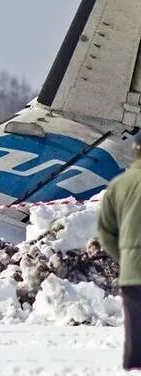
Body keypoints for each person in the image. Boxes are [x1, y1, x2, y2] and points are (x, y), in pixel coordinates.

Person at [98, 133, 141, 370]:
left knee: (134, 331)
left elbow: (105, 232)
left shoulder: (118, 185)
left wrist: (124, 257)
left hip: (131, 273)